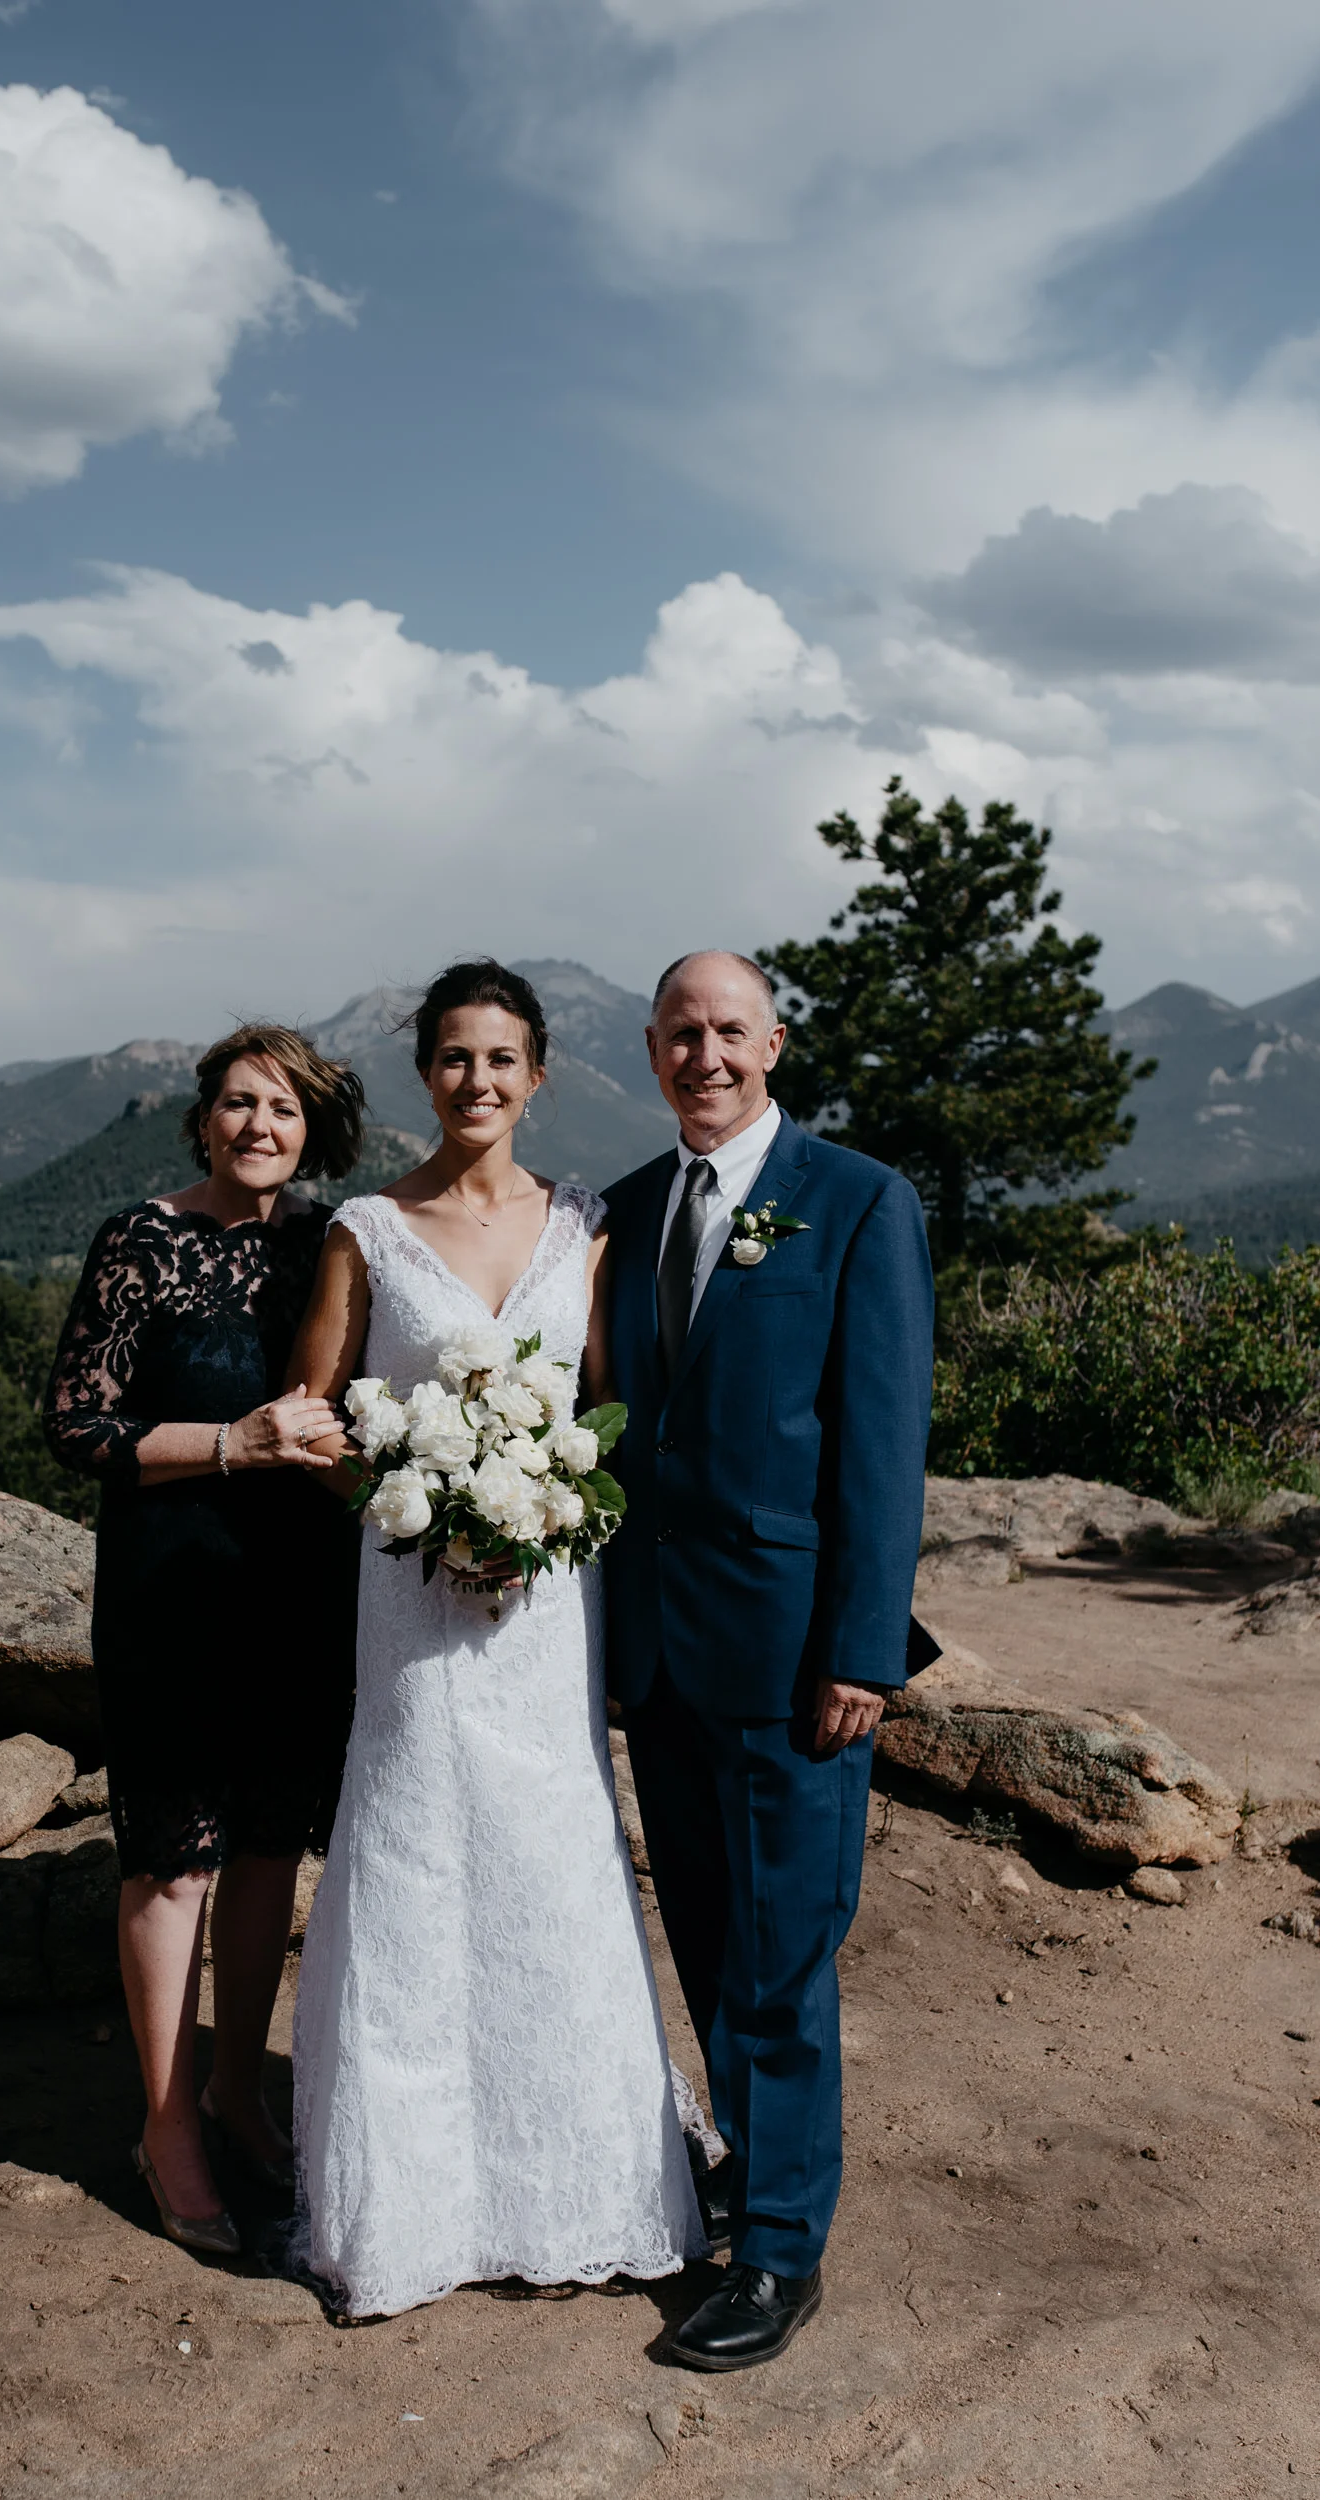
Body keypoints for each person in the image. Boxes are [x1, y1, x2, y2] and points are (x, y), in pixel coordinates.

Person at [284, 958, 706, 2319]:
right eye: (454, 1059)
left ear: (537, 1075)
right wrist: (421, 1503)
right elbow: (312, 1416)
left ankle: (575, 2190)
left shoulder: (585, 1225)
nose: (477, 1082)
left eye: (502, 1059)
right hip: (408, 1600)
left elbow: (601, 1412)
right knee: (409, 1857)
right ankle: (409, 2205)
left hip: (541, 1610)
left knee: (549, 1858)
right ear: (427, 1073)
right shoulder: (364, 1228)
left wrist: (537, 1508)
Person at [603, 950, 936, 2373]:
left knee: (786, 1954)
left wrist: (864, 1648)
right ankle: (747, 2166)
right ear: (653, 1049)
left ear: (774, 1041)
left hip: (798, 1654)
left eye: (728, 1030)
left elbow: (879, 1442)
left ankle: (780, 2253)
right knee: (709, 1939)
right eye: (680, 1034)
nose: (705, 1055)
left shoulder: (858, 1202)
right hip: (658, 1654)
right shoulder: (621, 1211)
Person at [43, 1024, 365, 2257]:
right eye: (237, 1104)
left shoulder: (332, 1245)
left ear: (310, 1130)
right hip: (169, 1597)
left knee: (271, 1849)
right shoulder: (139, 1240)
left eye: (281, 1110)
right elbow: (78, 1423)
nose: (257, 1128)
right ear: (201, 1119)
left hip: (298, 1597)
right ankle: (169, 2123)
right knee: (173, 1861)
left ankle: (239, 2088)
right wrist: (232, 1443)